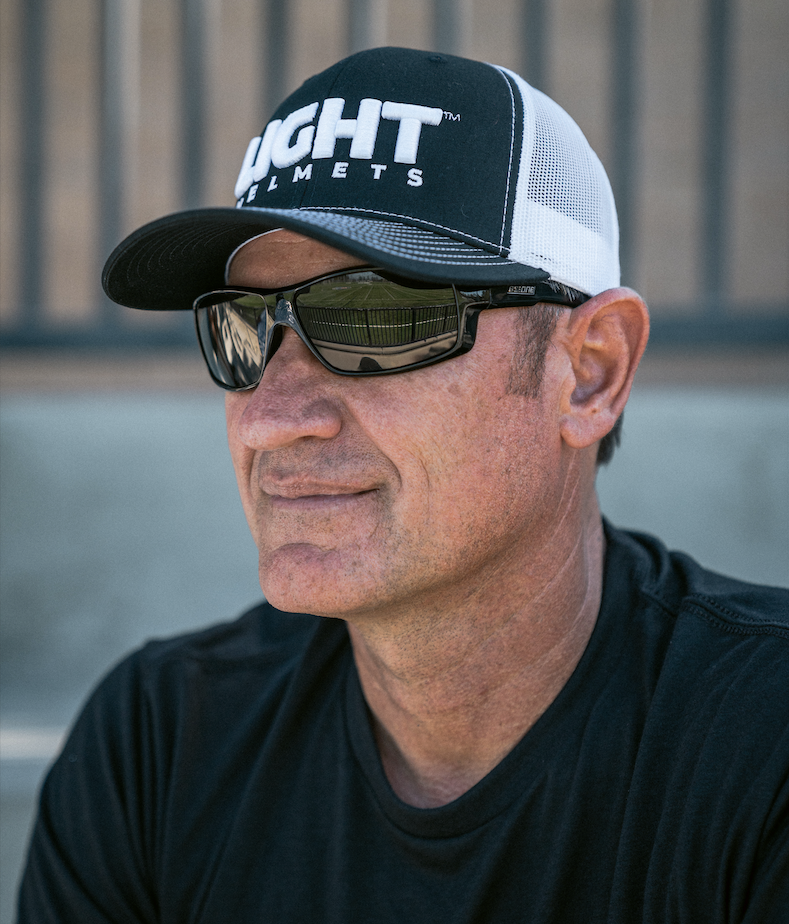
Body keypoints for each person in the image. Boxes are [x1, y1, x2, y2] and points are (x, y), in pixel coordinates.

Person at [19, 47, 788, 923]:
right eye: (242, 328)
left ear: (589, 373)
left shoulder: (763, 746)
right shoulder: (157, 745)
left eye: (376, 321)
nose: (272, 417)